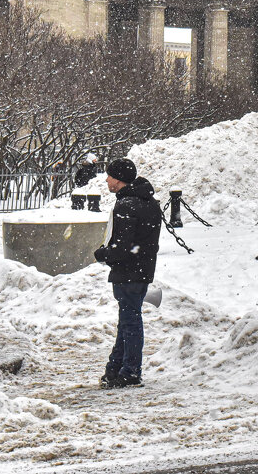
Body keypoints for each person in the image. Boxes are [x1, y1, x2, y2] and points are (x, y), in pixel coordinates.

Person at [93, 158, 162, 388]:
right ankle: (116, 368)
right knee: (127, 320)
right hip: (142, 269)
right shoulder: (148, 202)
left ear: (119, 179)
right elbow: (142, 241)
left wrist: (103, 254)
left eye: (110, 176)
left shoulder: (126, 205)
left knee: (130, 322)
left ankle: (131, 370)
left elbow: (122, 247)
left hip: (128, 271)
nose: (107, 180)